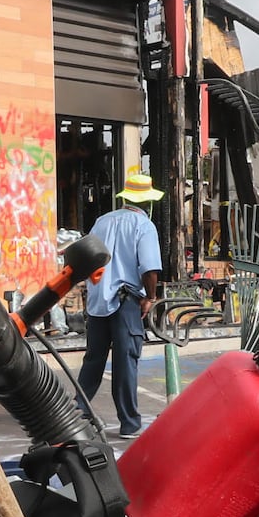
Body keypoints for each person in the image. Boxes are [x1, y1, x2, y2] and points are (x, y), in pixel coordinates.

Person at [75, 169, 163, 437]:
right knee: (125, 360)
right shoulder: (143, 225)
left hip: (98, 300)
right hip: (126, 301)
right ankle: (129, 422)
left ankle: (76, 417)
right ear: (147, 202)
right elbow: (149, 269)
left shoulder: (101, 221)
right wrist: (151, 297)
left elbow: (85, 257)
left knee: (93, 360)